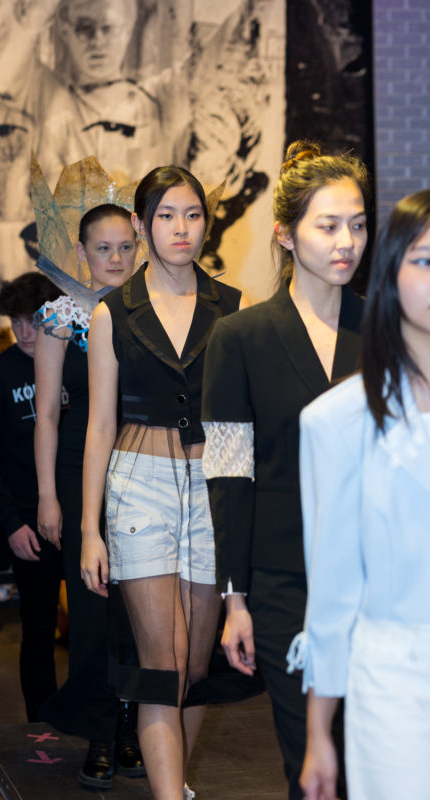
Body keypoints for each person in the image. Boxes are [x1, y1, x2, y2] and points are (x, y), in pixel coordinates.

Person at [200, 141, 369, 799]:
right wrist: (234, 599)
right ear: (284, 234)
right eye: (326, 225)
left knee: (373, 751)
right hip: (281, 580)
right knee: (312, 755)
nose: (345, 241)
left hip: (379, 575)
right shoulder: (238, 338)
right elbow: (228, 474)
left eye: (355, 224)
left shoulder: (388, 327)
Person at [80, 165, 248, 800]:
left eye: (194, 215)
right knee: (163, 666)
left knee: (197, 668)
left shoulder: (233, 308)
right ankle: (170, 794)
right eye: (168, 215)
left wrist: (241, 513)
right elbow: (98, 426)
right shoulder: (111, 312)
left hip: (212, 487)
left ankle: (173, 782)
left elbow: (238, 423)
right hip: (137, 486)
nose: (182, 228)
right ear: (142, 225)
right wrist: (88, 529)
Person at [290, 189, 430, 800]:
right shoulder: (339, 420)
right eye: (426, 260)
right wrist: (320, 731)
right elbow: (334, 586)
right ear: (393, 271)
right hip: (396, 683)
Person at [34, 203, 141, 790]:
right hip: (80, 474)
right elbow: (47, 415)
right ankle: (100, 734)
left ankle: (131, 727)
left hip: (143, 468)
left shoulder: (152, 310)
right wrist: (49, 497)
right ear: (80, 252)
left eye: (126, 246)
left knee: (139, 611)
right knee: (95, 609)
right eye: (104, 248)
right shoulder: (59, 315)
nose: (117, 259)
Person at [0, 272, 63, 722]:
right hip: (28, 522)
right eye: (16, 323)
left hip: (84, 516)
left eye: (34, 321)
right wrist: (10, 523)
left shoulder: (79, 361)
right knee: (39, 631)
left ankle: (94, 721)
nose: (26, 333)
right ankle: (42, 723)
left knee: (94, 628)